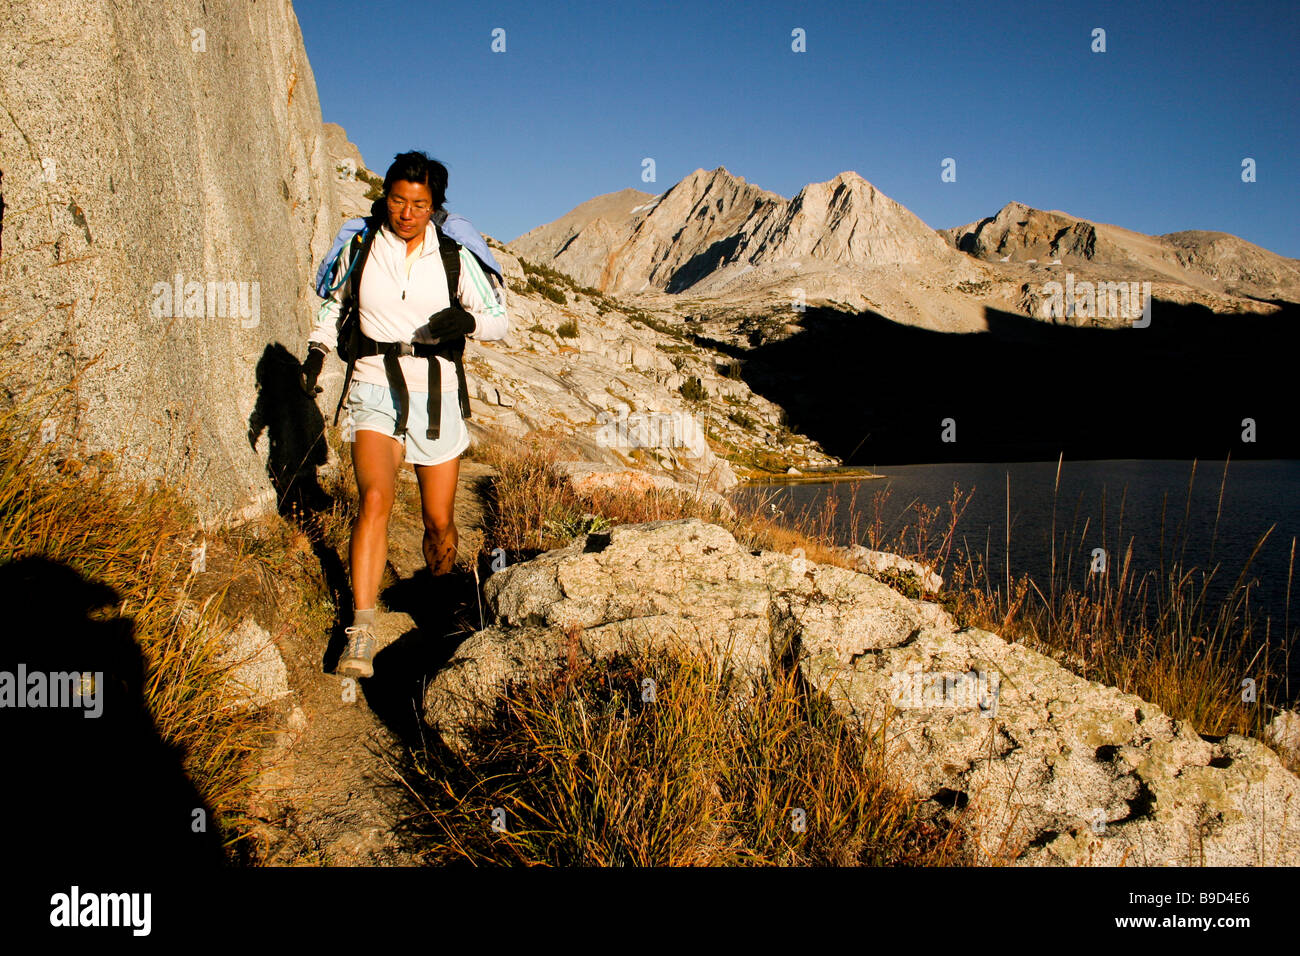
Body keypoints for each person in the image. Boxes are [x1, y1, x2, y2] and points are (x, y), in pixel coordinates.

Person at [298, 150, 508, 678]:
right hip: (373, 383)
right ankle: (360, 631)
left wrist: (467, 322)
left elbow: (499, 319)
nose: (406, 212)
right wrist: (317, 352)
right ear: (385, 197)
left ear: (434, 204)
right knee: (375, 498)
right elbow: (332, 305)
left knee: (440, 521)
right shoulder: (363, 244)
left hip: (436, 392)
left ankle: (437, 606)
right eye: (397, 199)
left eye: (419, 203)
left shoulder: (455, 254)